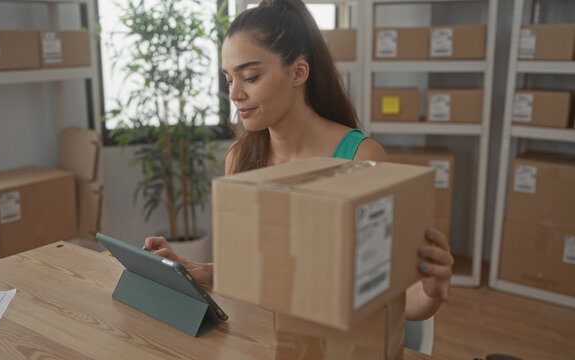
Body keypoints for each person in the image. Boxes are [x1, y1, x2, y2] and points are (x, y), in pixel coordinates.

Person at [144, 0, 454, 321]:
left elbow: (392, 296)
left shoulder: (360, 158)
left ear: (298, 72)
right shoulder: (240, 158)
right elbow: (259, 271)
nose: (234, 93)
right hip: (259, 332)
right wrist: (198, 271)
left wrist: (429, 290)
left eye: (249, 76)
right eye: (229, 78)